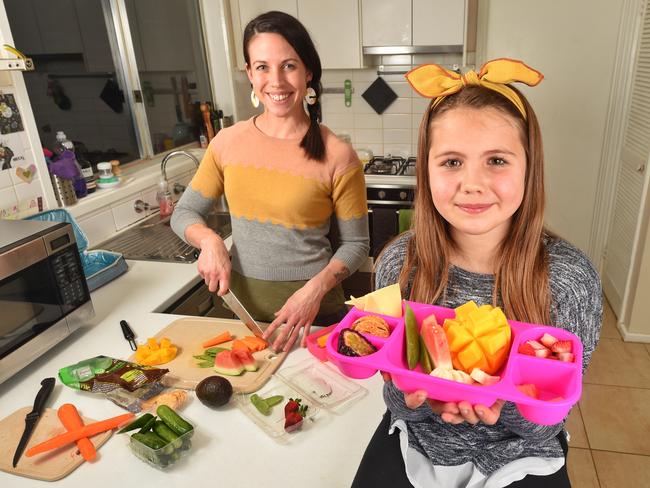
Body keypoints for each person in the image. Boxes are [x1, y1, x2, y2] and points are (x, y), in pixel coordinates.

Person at [351, 59, 602, 488]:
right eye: (451, 162)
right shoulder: (400, 265)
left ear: (530, 167)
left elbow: (552, 412)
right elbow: (393, 390)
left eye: (497, 160)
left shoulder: (570, 279)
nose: (473, 183)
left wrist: (504, 407)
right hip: (419, 442)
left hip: (523, 457)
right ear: (426, 171)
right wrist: (420, 403)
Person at [171, 11, 369, 352]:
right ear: (250, 73)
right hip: (238, 315)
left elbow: (357, 245)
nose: (275, 81)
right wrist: (210, 241)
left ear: (308, 72)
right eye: (262, 67)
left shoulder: (338, 154)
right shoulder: (226, 143)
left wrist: (314, 291)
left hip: (313, 319)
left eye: (289, 65)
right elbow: (185, 211)